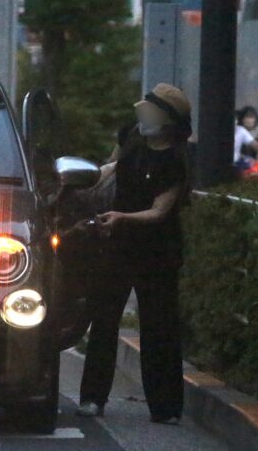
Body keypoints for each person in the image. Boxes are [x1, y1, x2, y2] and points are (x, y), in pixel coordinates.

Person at [75, 83, 192, 425]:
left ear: (168, 121)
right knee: (104, 320)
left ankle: (165, 407)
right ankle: (92, 398)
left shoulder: (176, 160)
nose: (144, 117)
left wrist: (123, 218)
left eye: (152, 112)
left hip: (158, 251)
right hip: (117, 245)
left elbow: (159, 213)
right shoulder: (131, 137)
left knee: (159, 327)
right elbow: (110, 168)